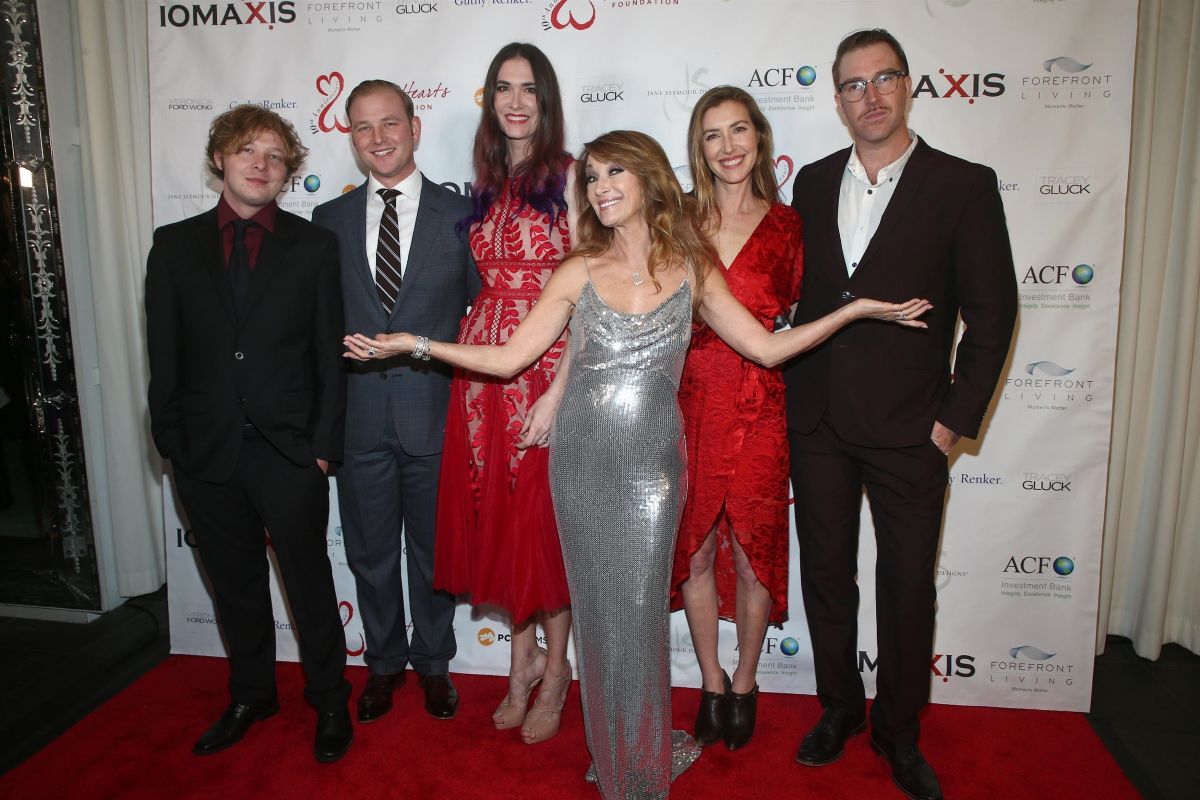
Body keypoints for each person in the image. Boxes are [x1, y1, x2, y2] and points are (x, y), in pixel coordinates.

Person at [343, 129, 929, 799]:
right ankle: (619, 757)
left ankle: (640, 756)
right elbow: (509, 360)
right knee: (597, 617)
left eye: (614, 171)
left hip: (655, 471)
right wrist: (414, 344)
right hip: (583, 463)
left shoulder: (694, 267)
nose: (601, 187)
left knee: (643, 618)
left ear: (648, 178)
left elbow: (766, 349)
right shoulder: (577, 268)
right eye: (591, 177)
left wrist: (853, 312)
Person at [785, 29, 1018, 800]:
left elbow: (992, 314)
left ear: (910, 84)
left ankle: (900, 731)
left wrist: (953, 421)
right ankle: (839, 710)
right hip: (818, 420)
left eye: (884, 78)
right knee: (825, 575)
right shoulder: (813, 184)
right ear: (838, 98)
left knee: (907, 586)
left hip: (912, 428)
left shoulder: (962, 184)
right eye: (853, 84)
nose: (870, 95)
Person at [145, 105, 352, 762]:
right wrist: (173, 442)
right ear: (219, 161)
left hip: (289, 451)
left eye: (274, 155)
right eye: (246, 152)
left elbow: (329, 355)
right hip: (205, 453)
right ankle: (252, 692)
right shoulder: (173, 246)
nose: (260, 164)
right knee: (232, 585)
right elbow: (164, 352)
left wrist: (322, 449)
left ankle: (328, 700)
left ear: (287, 171)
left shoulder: (313, 245)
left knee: (310, 584)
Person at [311, 80, 476, 724]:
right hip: (358, 422)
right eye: (362, 127)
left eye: (388, 123)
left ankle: (434, 663)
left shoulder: (459, 213)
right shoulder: (328, 221)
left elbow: (483, 315)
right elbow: (318, 332)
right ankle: (383, 665)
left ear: (414, 125)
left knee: (434, 552)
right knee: (370, 552)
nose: (377, 138)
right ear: (350, 136)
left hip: (435, 417)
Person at [432, 42, 577, 745]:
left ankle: (557, 674)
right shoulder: (485, 181)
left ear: (545, 103)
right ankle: (521, 665)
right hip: (484, 375)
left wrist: (559, 393)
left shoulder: (575, 179)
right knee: (500, 514)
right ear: (490, 102)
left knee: (542, 525)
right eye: (503, 88)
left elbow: (592, 297)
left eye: (529, 90)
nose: (516, 101)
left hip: (548, 367)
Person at [669, 86, 803, 752]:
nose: (728, 146)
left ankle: (747, 681)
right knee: (691, 551)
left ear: (759, 138)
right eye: (713, 134)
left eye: (739, 130)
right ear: (699, 147)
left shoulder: (789, 226)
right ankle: (711, 680)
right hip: (690, 401)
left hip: (761, 404)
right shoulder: (679, 223)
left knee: (753, 554)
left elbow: (800, 323)